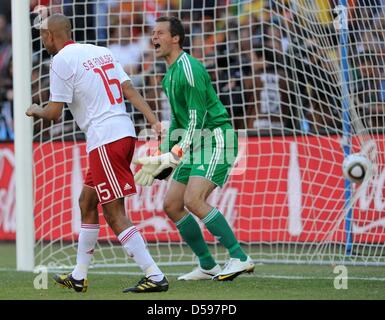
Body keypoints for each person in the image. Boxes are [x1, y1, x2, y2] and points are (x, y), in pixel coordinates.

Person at [25, 14, 168, 293]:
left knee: (114, 214)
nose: (43, 41)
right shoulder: (101, 52)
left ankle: (155, 275)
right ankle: (79, 275)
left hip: (105, 139)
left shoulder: (61, 61)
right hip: (121, 132)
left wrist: (34, 109)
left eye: (43, 36)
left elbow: (53, 114)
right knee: (87, 202)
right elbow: (128, 88)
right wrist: (152, 120)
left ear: (52, 36)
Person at [135, 16, 254, 281]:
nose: (154, 38)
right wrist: (160, 155)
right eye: (152, 34)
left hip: (215, 139)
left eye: (160, 33)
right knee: (172, 204)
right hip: (194, 143)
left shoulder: (188, 67)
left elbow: (197, 117)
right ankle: (207, 264)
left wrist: (175, 153)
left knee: (193, 200)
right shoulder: (168, 76)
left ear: (176, 38)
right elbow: (178, 121)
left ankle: (240, 257)